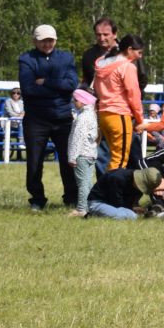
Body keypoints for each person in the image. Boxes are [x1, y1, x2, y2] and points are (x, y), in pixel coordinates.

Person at [18, 23, 79, 211]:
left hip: (63, 119)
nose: (47, 44)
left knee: (69, 161)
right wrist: (57, 90)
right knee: (34, 162)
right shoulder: (26, 59)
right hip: (36, 120)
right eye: (43, 40)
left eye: (50, 40)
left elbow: (71, 84)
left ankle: (72, 197)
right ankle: (37, 199)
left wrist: (45, 82)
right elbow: (28, 88)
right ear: (34, 41)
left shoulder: (66, 57)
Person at [91, 35, 145, 173]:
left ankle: (108, 191)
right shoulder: (127, 67)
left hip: (104, 115)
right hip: (119, 115)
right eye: (139, 52)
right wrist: (139, 119)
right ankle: (111, 193)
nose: (140, 56)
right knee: (120, 161)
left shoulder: (101, 65)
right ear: (129, 49)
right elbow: (134, 95)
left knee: (114, 158)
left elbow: (96, 89)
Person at [84, 165, 164, 221]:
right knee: (126, 215)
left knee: (129, 213)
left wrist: (136, 208)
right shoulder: (117, 178)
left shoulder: (134, 182)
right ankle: (94, 214)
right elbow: (117, 203)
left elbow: (128, 203)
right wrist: (134, 211)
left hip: (116, 204)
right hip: (98, 202)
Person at [66, 89, 102, 216]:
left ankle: (81, 208)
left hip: (81, 154)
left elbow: (77, 137)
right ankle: (90, 206)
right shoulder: (92, 115)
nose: (74, 102)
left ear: (82, 102)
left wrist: (72, 156)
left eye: (75, 100)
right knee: (88, 182)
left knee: (82, 183)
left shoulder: (82, 118)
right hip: (91, 154)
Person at [79, 17, 118, 88]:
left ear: (115, 34)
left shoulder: (128, 52)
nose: (102, 38)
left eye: (105, 35)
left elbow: (141, 78)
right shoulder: (88, 55)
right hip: (96, 98)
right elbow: (87, 80)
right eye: (98, 35)